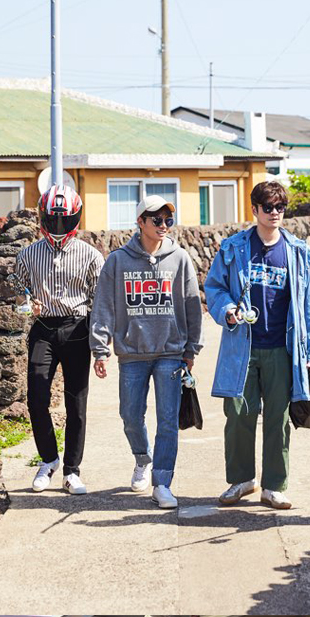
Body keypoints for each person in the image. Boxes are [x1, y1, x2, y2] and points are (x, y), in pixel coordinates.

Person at [204, 180, 310, 510]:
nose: (274, 213)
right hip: (242, 345)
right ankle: (241, 480)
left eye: (280, 207)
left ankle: (274, 485)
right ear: (254, 209)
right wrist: (228, 310)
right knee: (239, 413)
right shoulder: (234, 248)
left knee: (278, 417)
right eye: (267, 207)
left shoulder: (297, 251)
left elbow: (309, 304)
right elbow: (214, 287)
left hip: (282, 349)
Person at [89, 196, 203, 509]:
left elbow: (193, 304)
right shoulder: (117, 261)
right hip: (132, 353)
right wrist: (100, 349)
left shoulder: (179, 258)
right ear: (140, 222)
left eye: (168, 220)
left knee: (167, 420)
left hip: (170, 352)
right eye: (157, 220)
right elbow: (103, 307)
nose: (164, 226)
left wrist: (192, 347)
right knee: (130, 416)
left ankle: (162, 482)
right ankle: (143, 458)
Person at [15, 184, 104, 496]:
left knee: (76, 403)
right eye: (52, 220)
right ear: (42, 217)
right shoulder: (26, 255)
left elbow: (101, 301)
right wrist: (28, 305)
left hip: (77, 327)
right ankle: (49, 460)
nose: (57, 227)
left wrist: (101, 343)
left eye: (64, 220)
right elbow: (18, 295)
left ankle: (72, 470)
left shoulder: (92, 256)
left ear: (75, 219)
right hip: (42, 328)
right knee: (36, 396)